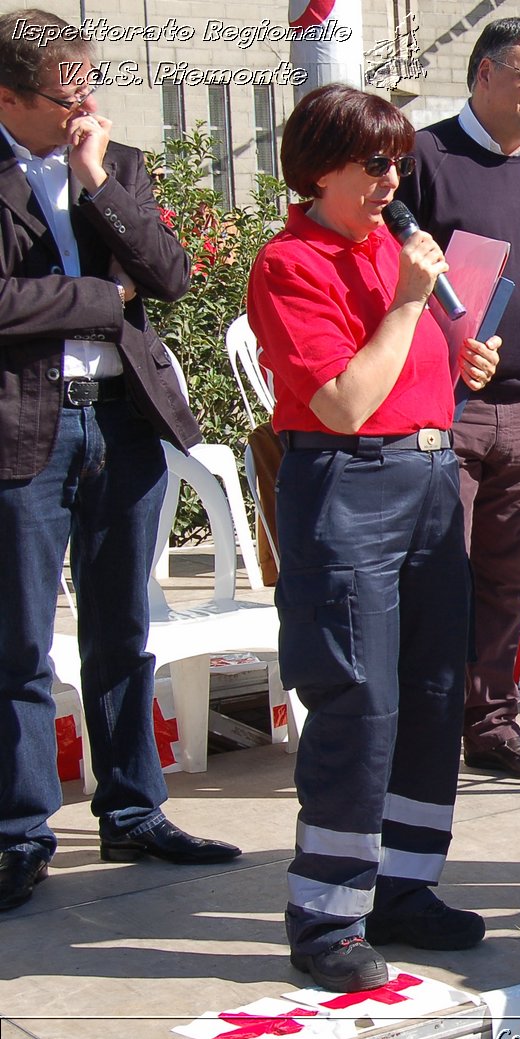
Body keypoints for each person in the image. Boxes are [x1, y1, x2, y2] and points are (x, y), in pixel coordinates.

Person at [248, 84, 501, 992]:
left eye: (399, 161)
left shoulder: (394, 249)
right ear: (321, 168)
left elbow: (404, 372)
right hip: (350, 484)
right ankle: (326, 919)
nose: (394, 179)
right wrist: (407, 306)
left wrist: (456, 355)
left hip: (430, 479)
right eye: (375, 162)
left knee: (434, 692)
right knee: (358, 699)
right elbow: (346, 402)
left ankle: (405, 889)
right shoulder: (291, 261)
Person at [0, 7, 241, 914]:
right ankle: (20, 833)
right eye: (64, 97)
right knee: (19, 645)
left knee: (122, 632)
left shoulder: (114, 162)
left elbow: (171, 277)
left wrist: (97, 179)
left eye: (90, 87)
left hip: (122, 422)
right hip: (25, 427)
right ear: (9, 96)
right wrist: (103, 294)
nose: (83, 107)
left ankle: (134, 811)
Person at [399, 18, 520, 780]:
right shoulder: (424, 158)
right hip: (444, 410)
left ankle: (491, 726)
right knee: (434, 576)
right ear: (483, 76)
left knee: (503, 580)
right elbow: (392, 281)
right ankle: (423, 728)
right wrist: (445, 351)